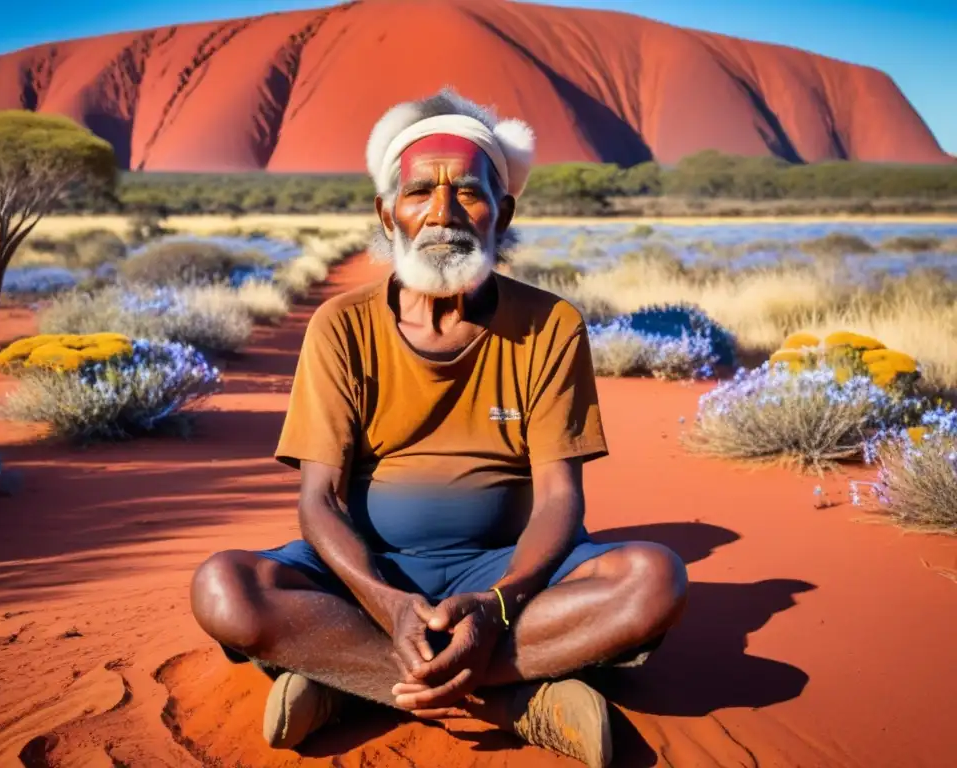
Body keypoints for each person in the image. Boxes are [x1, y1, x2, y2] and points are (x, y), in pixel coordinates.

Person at [190, 89, 688, 768]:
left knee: (655, 580)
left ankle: (350, 683)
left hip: (507, 571)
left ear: (503, 212)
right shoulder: (342, 327)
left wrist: (497, 606)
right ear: (386, 211)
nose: (443, 214)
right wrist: (387, 603)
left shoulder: (550, 325)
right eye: (420, 191)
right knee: (225, 588)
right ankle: (514, 701)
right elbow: (321, 501)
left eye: (471, 195)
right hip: (369, 575)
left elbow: (559, 501)